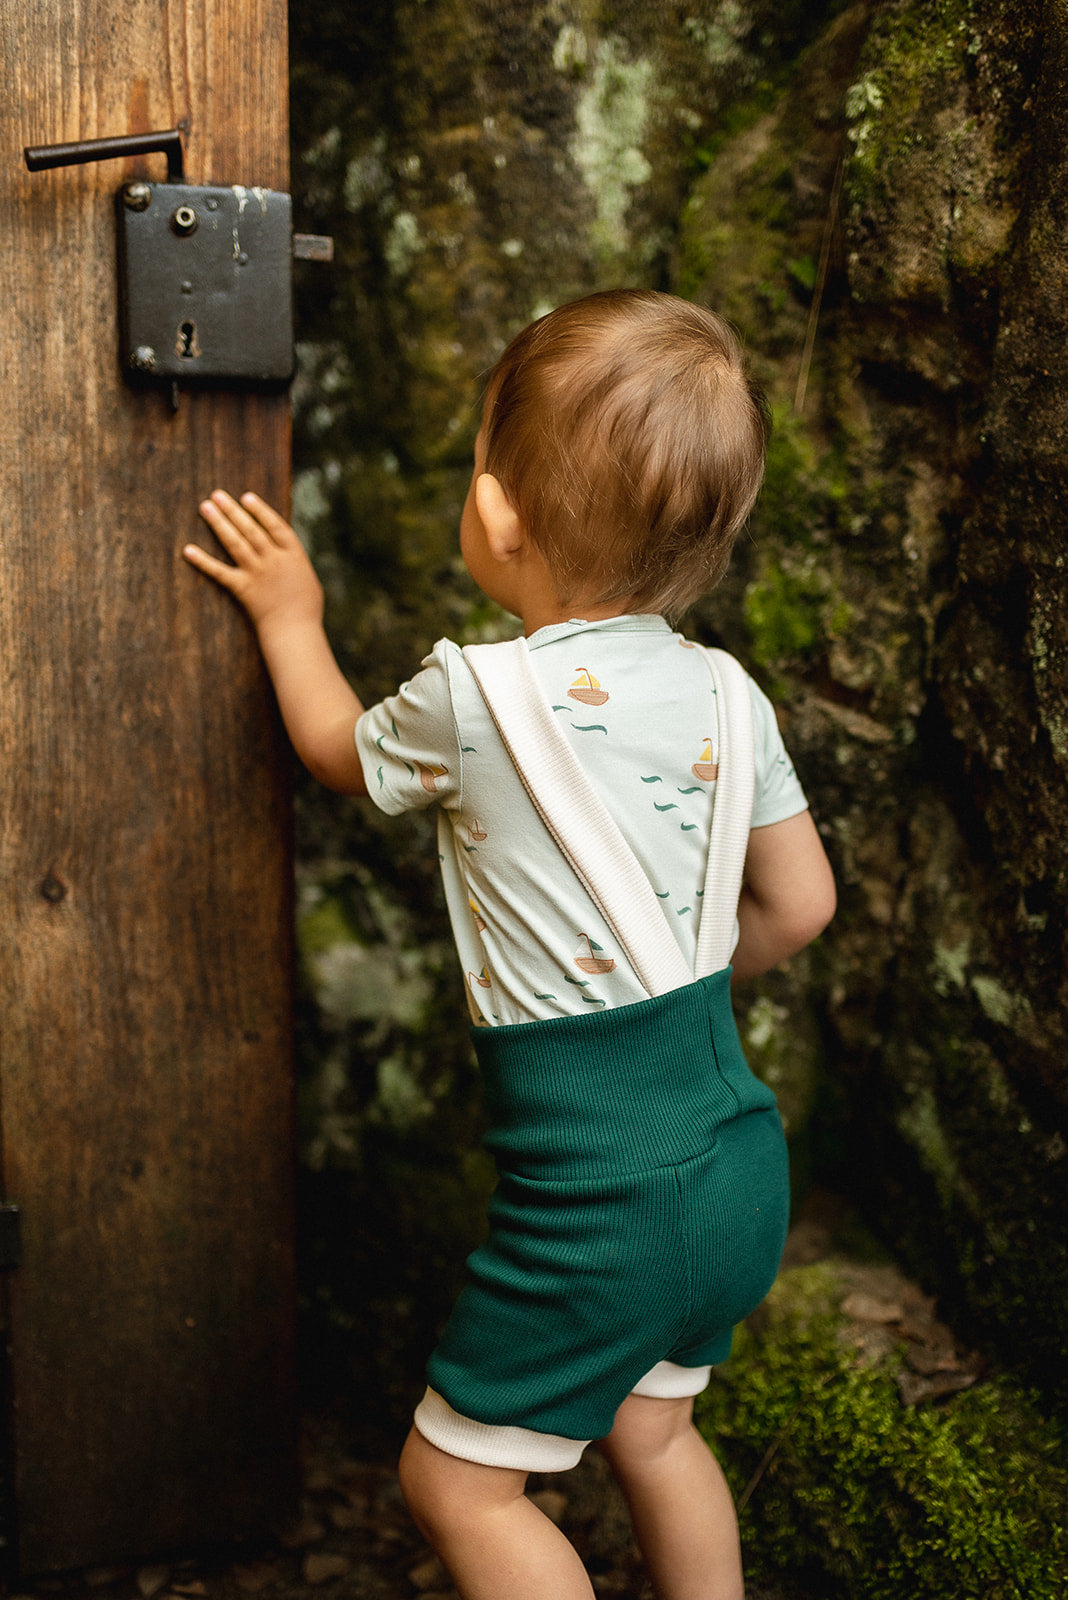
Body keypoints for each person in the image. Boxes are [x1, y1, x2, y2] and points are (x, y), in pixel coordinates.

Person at [184, 288, 836, 1600]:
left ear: (495, 513)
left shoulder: (469, 697)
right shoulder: (729, 691)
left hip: (607, 1197)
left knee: (458, 1484)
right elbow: (801, 906)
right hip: (735, 1167)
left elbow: (333, 754)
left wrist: (288, 617)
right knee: (656, 1431)